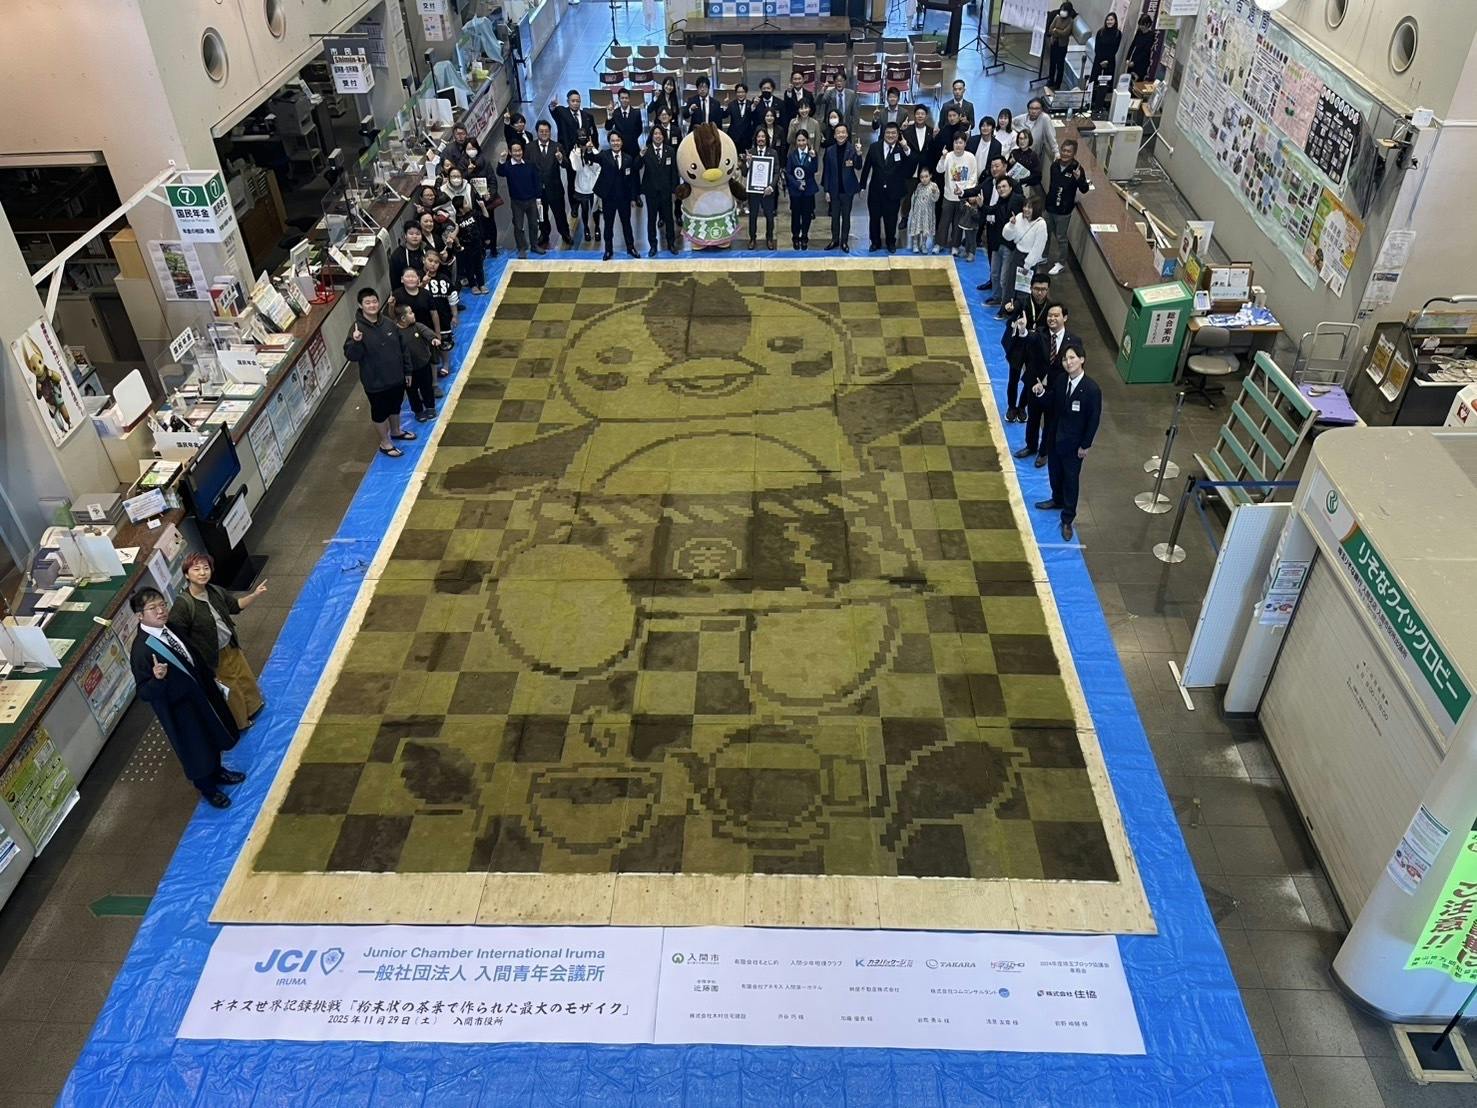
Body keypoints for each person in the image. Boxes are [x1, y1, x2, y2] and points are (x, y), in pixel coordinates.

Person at [130, 587, 243, 809]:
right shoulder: (141, 650)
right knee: (196, 749)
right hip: (181, 709)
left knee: (211, 736)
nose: (160, 611)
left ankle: (218, 772)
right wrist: (157, 679)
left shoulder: (170, 627)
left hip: (200, 694)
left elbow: (191, 654)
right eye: (153, 608)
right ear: (140, 615)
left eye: (162, 604)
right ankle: (208, 789)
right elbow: (144, 693)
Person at [168, 554, 267, 732]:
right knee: (230, 689)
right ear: (187, 575)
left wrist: (255, 595)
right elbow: (178, 636)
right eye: (196, 569)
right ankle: (241, 722)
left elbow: (235, 606)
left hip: (230, 645)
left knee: (244, 676)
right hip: (212, 655)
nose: (202, 573)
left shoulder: (215, 591)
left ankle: (254, 706)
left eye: (206, 568)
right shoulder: (183, 605)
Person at [1036, 341, 1100, 541]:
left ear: (1082, 359)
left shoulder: (1091, 389)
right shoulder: (1061, 380)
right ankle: (1057, 500)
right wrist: (1041, 392)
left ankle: (1067, 518)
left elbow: (1093, 420)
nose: (1068, 362)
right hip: (1055, 438)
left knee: (1071, 481)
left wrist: (1085, 445)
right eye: (1065, 359)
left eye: (1072, 358)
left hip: (1074, 446)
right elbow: (1052, 402)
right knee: (1054, 474)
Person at [345, 288, 413, 456]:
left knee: (395, 405)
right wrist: (356, 342)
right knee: (380, 412)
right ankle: (385, 442)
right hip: (375, 382)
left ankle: (396, 431)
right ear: (360, 305)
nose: (372, 305)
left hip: (396, 377)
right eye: (367, 303)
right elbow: (352, 356)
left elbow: (403, 348)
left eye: (374, 301)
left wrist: (407, 371)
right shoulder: (356, 329)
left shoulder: (389, 323)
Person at [1015, 301, 1079, 468]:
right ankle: (1031, 446)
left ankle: (1044, 453)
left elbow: (1075, 365)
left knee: (1051, 423)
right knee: (1033, 419)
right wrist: (1022, 330)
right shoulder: (1040, 333)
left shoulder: (1074, 341)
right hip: (1035, 386)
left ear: (1065, 317)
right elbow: (1029, 337)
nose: (1052, 318)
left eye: (1056, 315)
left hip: (1055, 390)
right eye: (1050, 315)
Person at [1000, 270, 1054, 423]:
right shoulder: (1023, 302)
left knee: (1031, 380)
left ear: (1048, 290)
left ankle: (1022, 407)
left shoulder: (1050, 308)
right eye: (1036, 289)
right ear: (1030, 288)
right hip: (1018, 346)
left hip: (1036, 348)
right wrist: (1008, 309)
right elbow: (1011, 308)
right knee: (1014, 378)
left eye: (1043, 289)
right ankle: (1011, 407)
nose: (1040, 293)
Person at [861, 122, 913, 253]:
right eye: (888, 133)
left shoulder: (902, 149)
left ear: (898, 134)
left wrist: (906, 148)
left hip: (893, 192)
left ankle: (891, 242)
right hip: (876, 191)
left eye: (893, 133)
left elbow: (909, 168)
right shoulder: (874, 147)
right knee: (874, 218)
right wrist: (862, 186)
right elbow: (867, 167)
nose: (890, 135)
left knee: (891, 219)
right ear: (883, 134)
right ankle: (875, 242)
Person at [589, 130, 640, 259]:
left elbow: (632, 181)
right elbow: (591, 158)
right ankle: (608, 250)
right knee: (608, 225)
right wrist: (589, 150)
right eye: (613, 141)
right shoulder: (604, 155)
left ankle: (631, 248)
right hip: (609, 198)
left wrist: (633, 198)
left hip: (624, 198)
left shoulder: (628, 158)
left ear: (621, 142)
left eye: (618, 140)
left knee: (626, 224)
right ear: (609, 142)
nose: (615, 143)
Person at [1043, 138, 1090, 273]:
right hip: (1050, 207)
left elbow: (1084, 189)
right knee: (1045, 233)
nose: (1065, 153)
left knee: (1061, 238)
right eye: (1063, 150)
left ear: (1074, 153)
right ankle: (1043, 256)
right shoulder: (1054, 166)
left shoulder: (1077, 169)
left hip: (1064, 211)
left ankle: (1061, 262)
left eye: (1069, 151)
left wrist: (1079, 179)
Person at [496, 139, 542, 258]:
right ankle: (521, 248)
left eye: (519, 150)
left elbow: (536, 181)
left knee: (534, 224)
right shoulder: (507, 166)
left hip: (531, 200)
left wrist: (538, 197)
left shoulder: (529, 164)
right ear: (510, 152)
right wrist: (501, 160)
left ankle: (534, 245)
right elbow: (500, 172)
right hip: (517, 202)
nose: (518, 153)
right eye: (515, 151)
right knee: (518, 226)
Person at [529, 121, 572, 248]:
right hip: (538, 191)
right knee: (541, 215)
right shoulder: (529, 148)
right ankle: (544, 234)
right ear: (537, 132)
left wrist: (560, 158)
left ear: (550, 132)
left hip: (555, 189)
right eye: (541, 131)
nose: (544, 133)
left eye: (546, 131)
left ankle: (565, 233)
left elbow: (566, 164)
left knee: (560, 214)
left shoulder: (557, 146)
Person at [935, 131, 978, 255]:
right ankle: (939, 244)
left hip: (963, 197)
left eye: (961, 142)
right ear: (952, 143)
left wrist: (965, 191)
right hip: (948, 196)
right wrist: (943, 157)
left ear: (965, 144)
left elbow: (973, 177)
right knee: (944, 222)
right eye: (956, 142)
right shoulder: (948, 156)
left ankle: (955, 245)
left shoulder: (970, 157)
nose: (958, 145)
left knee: (958, 223)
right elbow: (939, 170)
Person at [821, 123, 863, 251]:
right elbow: (826, 172)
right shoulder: (829, 151)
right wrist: (826, 190)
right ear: (834, 135)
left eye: (843, 132)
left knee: (846, 217)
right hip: (834, 190)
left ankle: (844, 241)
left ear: (847, 134)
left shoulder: (852, 149)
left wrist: (859, 154)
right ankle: (834, 240)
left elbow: (858, 166)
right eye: (838, 132)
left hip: (847, 190)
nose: (841, 135)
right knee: (834, 217)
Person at [983, 170, 1023, 303]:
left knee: (1004, 278)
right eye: (999, 187)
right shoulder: (1000, 201)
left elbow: (1029, 211)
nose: (1001, 189)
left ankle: (1006, 303)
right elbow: (991, 210)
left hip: (1010, 245)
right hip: (997, 242)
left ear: (1011, 187)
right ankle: (996, 297)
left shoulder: (1018, 199)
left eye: (1004, 186)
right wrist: (981, 205)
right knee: (994, 273)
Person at [397, 304, 442, 421]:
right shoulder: (396, 333)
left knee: (426, 387)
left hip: (423, 365)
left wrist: (433, 339)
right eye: (410, 313)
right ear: (403, 318)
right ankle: (418, 411)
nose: (413, 314)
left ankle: (430, 407)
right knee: (412, 392)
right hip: (408, 370)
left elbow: (427, 332)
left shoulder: (417, 326)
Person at [1002, 195, 1049, 301]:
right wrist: (1011, 225)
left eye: (1029, 207)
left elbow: (1038, 248)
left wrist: (1027, 265)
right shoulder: (1019, 217)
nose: (1026, 209)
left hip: (1028, 260)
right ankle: (1006, 308)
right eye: (1025, 206)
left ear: (1036, 209)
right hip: (1016, 255)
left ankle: (1019, 310)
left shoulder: (1041, 224)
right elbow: (1007, 237)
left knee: (1022, 290)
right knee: (1010, 285)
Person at [642, 124, 679, 256]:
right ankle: (653, 245)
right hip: (651, 192)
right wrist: (640, 155)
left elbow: (674, 172)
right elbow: (636, 166)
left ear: (664, 136)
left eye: (660, 134)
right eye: (655, 134)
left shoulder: (670, 151)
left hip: (665, 191)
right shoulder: (646, 151)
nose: (658, 136)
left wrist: (674, 191)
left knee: (669, 219)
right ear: (652, 136)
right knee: (651, 219)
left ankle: (671, 243)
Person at [421, 250, 456, 371]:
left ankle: (446, 364)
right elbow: (413, 294)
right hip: (425, 318)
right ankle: (432, 367)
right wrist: (422, 284)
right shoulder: (418, 277)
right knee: (428, 342)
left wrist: (455, 315)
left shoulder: (444, 278)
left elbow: (452, 297)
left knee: (444, 342)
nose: (433, 264)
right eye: (430, 261)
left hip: (443, 317)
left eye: (436, 262)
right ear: (424, 260)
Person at [743, 128, 779, 250]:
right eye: (759, 137)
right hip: (754, 192)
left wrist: (771, 187)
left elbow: (776, 172)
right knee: (753, 216)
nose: (761, 139)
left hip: (768, 191)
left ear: (766, 139)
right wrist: (748, 163)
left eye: (763, 137)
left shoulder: (773, 153)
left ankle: (769, 238)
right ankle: (752, 238)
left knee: (769, 216)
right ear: (755, 139)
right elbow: (744, 173)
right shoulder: (750, 152)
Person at [785, 128, 820, 250]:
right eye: (799, 140)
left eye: (803, 140)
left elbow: (815, 170)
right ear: (796, 141)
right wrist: (796, 184)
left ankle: (804, 236)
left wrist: (813, 158)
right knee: (795, 215)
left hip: (808, 190)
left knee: (806, 215)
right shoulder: (792, 155)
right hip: (795, 191)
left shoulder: (812, 153)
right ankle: (795, 237)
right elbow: (788, 173)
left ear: (807, 141)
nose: (801, 143)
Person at [569, 130, 602, 246]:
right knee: (584, 209)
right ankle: (586, 228)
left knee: (595, 210)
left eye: (584, 137)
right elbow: (576, 167)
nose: (582, 140)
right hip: (581, 186)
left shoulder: (594, 151)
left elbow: (598, 168)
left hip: (593, 186)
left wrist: (589, 153)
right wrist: (580, 153)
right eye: (580, 137)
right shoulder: (574, 152)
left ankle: (597, 227)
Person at [452, 196, 488, 294]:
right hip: (466, 248)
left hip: (477, 245)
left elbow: (486, 217)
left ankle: (481, 284)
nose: (468, 204)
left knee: (479, 266)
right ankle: (473, 285)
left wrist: (483, 207)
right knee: (469, 267)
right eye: (465, 203)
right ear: (460, 209)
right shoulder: (457, 220)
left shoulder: (473, 213)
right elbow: (456, 235)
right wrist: (458, 245)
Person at [1091, 11, 1123, 115]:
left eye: (1111, 20)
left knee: (1106, 83)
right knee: (1095, 81)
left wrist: (1107, 61)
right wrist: (1101, 61)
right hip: (1098, 60)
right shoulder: (1100, 32)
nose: (1109, 22)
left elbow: (1115, 49)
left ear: (1115, 21)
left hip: (1110, 61)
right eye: (1108, 20)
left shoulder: (1118, 34)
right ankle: (1092, 102)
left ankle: (1102, 104)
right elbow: (1097, 47)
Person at [906, 166, 938, 253]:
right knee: (916, 228)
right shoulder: (919, 185)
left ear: (930, 176)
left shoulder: (933, 186)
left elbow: (936, 198)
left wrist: (934, 192)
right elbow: (915, 198)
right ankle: (915, 244)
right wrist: (914, 209)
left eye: (926, 176)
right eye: (922, 177)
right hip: (918, 212)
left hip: (927, 213)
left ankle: (923, 245)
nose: (924, 179)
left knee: (925, 230)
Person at [1046, 4, 1076, 92]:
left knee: (1060, 65)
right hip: (1054, 43)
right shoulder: (1057, 18)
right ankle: (1051, 79)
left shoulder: (1070, 21)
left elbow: (1065, 33)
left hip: (1062, 46)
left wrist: (1056, 30)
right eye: (1062, 9)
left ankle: (1057, 83)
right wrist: (1058, 31)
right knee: (1052, 63)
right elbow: (1050, 29)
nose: (1062, 12)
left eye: (1064, 10)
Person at [819, 72, 859, 137]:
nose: (839, 83)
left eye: (841, 81)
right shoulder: (829, 93)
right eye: (837, 81)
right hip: (832, 128)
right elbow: (818, 102)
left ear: (845, 82)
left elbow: (855, 114)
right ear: (834, 82)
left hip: (846, 127)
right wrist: (823, 90)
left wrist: (853, 130)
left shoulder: (851, 94)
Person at [1020, 96, 1059, 161]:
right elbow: (1011, 122)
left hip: (1033, 155)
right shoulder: (1023, 118)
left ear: (1042, 110)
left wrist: (1056, 152)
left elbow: (1051, 136)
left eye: (1037, 108)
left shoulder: (1044, 118)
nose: (1033, 111)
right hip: (1021, 152)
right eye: (1031, 108)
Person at [388, 221, 425, 286]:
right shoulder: (397, 256)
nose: (415, 236)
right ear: (405, 235)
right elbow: (395, 280)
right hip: (406, 289)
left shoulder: (427, 249)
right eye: (411, 234)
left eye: (418, 234)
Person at [955, 186, 984, 263]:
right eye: (970, 196)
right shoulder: (966, 203)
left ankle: (972, 253)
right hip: (966, 225)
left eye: (973, 196)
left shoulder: (978, 206)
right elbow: (961, 210)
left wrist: (970, 208)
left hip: (973, 227)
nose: (971, 198)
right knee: (967, 240)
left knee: (972, 241)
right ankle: (966, 251)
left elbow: (976, 216)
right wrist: (963, 202)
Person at [726, 83, 757, 151]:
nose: (740, 94)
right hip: (734, 137)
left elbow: (754, 118)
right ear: (736, 93)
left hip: (747, 137)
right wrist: (725, 105)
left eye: (742, 92)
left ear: (746, 93)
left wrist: (754, 107)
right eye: (738, 92)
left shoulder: (751, 104)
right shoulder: (731, 104)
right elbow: (725, 115)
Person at [1126, 13, 1156, 82]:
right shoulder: (1139, 31)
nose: (1141, 27)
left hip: (1142, 62)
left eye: (1143, 25)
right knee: (1128, 80)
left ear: (1148, 24)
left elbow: (1146, 51)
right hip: (1133, 59)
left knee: (1137, 82)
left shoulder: (1151, 35)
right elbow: (1133, 45)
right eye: (1140, 25)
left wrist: (1134, 62)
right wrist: (1127, 58)